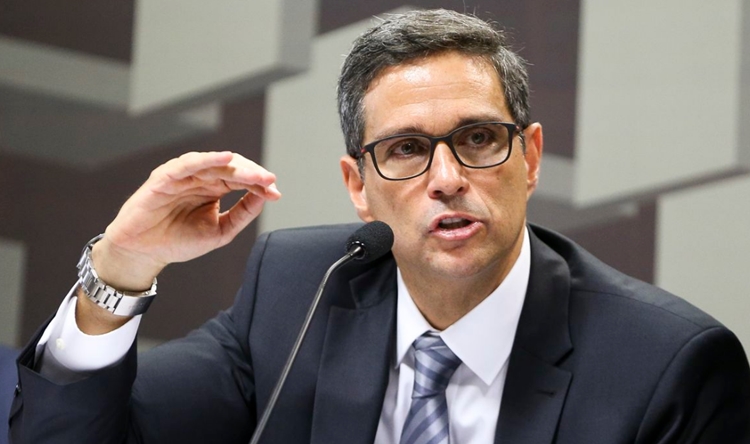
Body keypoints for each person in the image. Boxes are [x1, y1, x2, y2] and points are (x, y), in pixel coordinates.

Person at [8, 9, 750, 444]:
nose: (447, 176)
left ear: (529, 159)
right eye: (406, 149)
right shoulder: (302, 291)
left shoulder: (666, 367)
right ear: (357, 188)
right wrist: (120, 267)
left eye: (478, 139)